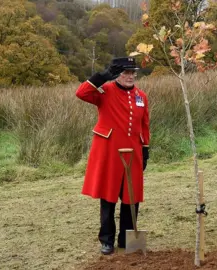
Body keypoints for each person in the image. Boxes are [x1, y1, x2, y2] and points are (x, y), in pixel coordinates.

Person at [76, 57, 150, 255]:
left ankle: (126, 239)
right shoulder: (105, 91)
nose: (130, 76)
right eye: (126, 72)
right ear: (117, 74)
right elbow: (81, 93)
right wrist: (102, 76)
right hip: (109, 152)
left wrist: (145, 148)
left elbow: (144, 124)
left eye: (133, 72)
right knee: (108, 197)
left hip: (133, 153)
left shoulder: (141, 95)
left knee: (131, 198)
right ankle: (106, 240)